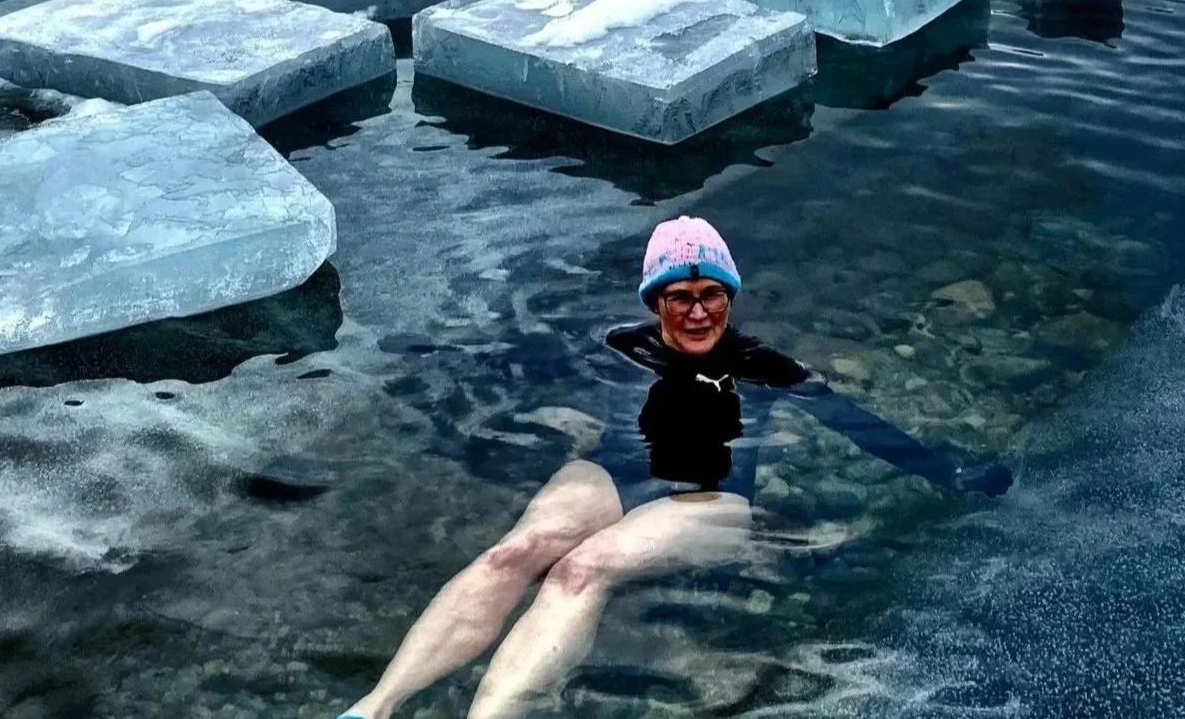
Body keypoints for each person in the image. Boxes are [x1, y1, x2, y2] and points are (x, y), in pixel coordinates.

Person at [339, 216, 1010, 719]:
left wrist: (947, 472)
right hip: (612, 473)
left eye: (711, 293)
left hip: (709, 496)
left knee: (581, 568)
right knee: (513, 552)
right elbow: (515, 374)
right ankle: (374, 707)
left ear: (730, 294)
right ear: (652, 299)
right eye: (678, 294)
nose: (696, 309)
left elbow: (859, 424)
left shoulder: (762, 365)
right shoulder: (619, 345)